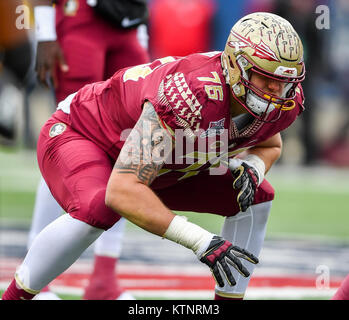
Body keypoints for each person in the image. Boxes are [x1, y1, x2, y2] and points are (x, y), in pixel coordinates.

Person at [2, 12, 306, 301]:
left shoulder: (282, 101)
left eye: (284, 82)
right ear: (235, 66)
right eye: (266, 79)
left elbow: (269, 145)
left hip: (162, 164)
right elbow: (123, 190)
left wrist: (253, 167)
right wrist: (201, 241)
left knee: (255, 195)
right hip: (83, 134)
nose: (277, 92)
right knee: (99, 207)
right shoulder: (191, 95)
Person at [28, 0, 149, 300]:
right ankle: (35, 277)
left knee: (130, 143)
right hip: (79, 16)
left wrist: (140, 24)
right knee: (68, 140)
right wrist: (45, 33)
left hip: (125, 21)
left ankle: (104, 280)